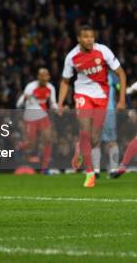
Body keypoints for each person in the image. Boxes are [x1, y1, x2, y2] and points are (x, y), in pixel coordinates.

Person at [58, 24, 126, 187]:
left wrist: (121, 100)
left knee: (95, 139)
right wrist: (60, 102)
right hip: (82, 94)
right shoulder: (72, 57)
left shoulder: (103, 51)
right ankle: (89, 173)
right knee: (85, 130)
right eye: (86, 37)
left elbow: (121, 74)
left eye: (91, 36)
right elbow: (65, 81)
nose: (89, 40)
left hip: (102, 96)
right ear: (79, 39)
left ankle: (80, 147)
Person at [16, 67, 57, 173]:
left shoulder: (51, 88)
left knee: (48, 139)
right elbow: (19, 103)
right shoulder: (30, 87)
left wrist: (59, 109)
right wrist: (24, 99)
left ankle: (45, 168)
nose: (44, 78)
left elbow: (53, 104)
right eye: (41, 75)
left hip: (42, 114)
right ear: (38, 77)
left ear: (48, 77)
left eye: (46, 75)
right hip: (30, 115)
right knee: (31, 144)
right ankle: (18, 147)